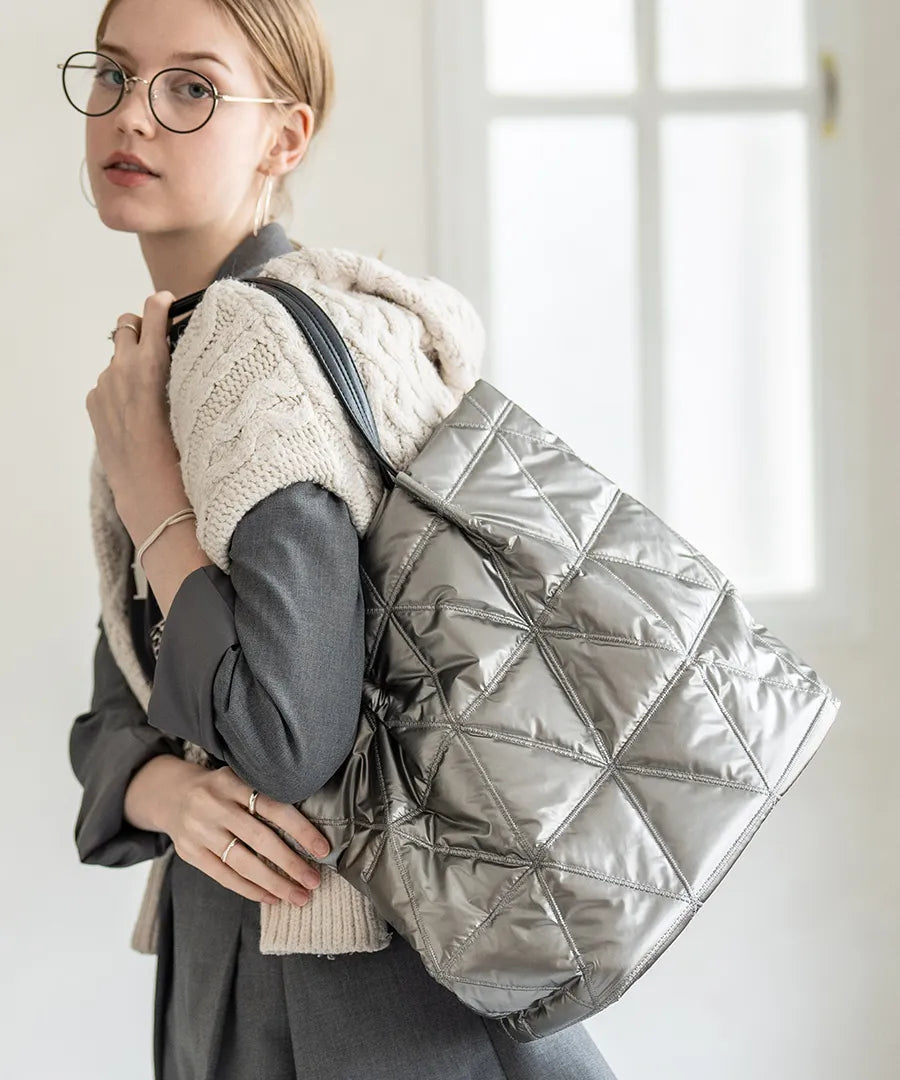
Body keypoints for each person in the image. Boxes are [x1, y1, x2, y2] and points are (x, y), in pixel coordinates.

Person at [66, 1, 621, 1077]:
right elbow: (112, 715)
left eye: (190, 89)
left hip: (343, 1005)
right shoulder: (168, 362)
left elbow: (288, 735)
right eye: (113, 74)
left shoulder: (251, 356)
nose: (131, 114)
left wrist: (152, 502)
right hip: (267, 973)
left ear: (284, 137)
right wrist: (162, 789)